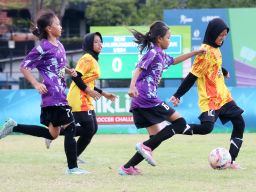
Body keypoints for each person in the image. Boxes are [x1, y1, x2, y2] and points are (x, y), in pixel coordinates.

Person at [0, 9, 88, 174]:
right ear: (49, 28)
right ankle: (72, 168)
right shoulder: (43, 47)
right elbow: (24, 66)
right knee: (70, 128)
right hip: (54, 96)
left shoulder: (60, 45)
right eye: (57, 24)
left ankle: (14, 127)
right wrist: (35, 83)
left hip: (58, 95)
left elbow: (58, 66)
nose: (61, 27)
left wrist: (68, 71)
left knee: (53, 134)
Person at [118, 21, 206, 175]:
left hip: (141, 101)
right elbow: (137, 69)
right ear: (159, 39)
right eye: (168, 37)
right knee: (180, 122)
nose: (169, 40)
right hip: (146, 98)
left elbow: (174, 61)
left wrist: (195, 53)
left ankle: (127, 167)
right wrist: (131, 87)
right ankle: (145, 147)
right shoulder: (153, 52)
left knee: (155, 138)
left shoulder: (161, 54)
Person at [170, 18, 245, 169]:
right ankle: (175, 128)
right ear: (212, 33)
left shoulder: (216, 48)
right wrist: (178, 95)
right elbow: (192, 76)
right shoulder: (204, 52)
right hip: (210, 99)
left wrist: (222, 71)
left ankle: (231, 161)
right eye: (220, 35)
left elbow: (214, 66)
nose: (223, 38)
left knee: (239, 123)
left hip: (223, 96)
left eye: (225, 35)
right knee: (206, 129)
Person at [45, 32, 117, 163]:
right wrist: (88, 90)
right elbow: (75, 76)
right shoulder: (87, 58)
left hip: (85, 97)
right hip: (78, 97)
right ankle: (53, 132)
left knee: (92, 129)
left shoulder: (94, 59)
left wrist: (103, 93)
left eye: (101, 41)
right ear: (89, 44)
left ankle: (73, 153)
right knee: (88, 128)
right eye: (96, 42)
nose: (100, 44)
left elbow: (87, 81)